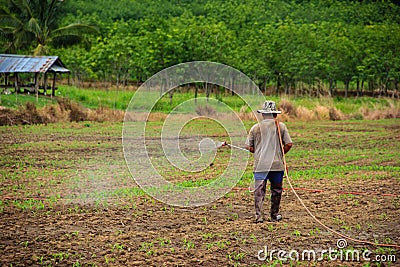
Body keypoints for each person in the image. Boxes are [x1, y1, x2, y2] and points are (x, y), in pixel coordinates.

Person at [245, 100, 292, 223]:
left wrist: (258, 151)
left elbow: (249, 147)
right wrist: (280, 154)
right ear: (275, 114)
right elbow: (289, 144)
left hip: (261, 165)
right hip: (277, 166)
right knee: (276, 190)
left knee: (259, 191)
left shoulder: (255, 128)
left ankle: (259, 216)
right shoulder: (281, 127)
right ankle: (274, 215)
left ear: (263, 114)